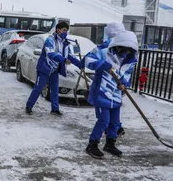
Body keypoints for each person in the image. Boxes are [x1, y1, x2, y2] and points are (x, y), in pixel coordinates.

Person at [84, 31, 138, 159]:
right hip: (102, 93)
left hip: (116, 95)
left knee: (115, 122)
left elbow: (127, 76)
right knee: (104, 121)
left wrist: (124, 84)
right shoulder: (103, 53)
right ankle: (92, 145)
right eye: (123, 49)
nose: (125, 52)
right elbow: (87, 60)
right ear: (117, 46)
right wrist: (101, 64)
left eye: (128, 51)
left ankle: (110, 144)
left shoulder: (129, 60)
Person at [25, 22, 82, 116]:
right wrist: (63, 59)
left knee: (55, 90)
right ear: (58, 30)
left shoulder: (65, 43)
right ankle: (29, 106)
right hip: (45, 68)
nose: (65, 32)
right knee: (39, 88)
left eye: (67, 31)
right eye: (64, 30)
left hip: (55, 70)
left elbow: (70, 56)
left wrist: (80, 64)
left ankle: (55, 109)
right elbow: (50, 53)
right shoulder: (50, 40)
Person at [100, 22, 126, 136]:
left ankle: (114, 126)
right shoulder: (110, 47)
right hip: (108, 83)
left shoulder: (117, 46)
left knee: (111, 108)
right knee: (110, 107)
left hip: (112, 83)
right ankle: (113, 126)